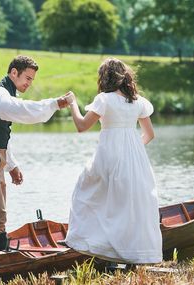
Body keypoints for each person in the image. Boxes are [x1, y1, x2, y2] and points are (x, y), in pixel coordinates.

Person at [0, 55, 68, 262]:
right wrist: (54, 104)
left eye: (32, 79)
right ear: (14, 72)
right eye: (28, 78)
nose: (29, 83)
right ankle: (1, 265)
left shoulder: (8, 95)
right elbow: (21, 111)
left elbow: (5, 133)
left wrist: (12, 165)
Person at [64, 58, 162, 264]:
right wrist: (131, 151)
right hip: (135, 161)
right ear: (125, 76)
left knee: (85, 193)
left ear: (104, 77)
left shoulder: (104, 99)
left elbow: (82, 126)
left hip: (107, 156)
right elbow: (149, 135)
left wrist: (73, 104)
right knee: (128, 205)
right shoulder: (138, 102)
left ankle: (100, 249)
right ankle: (130, 254)